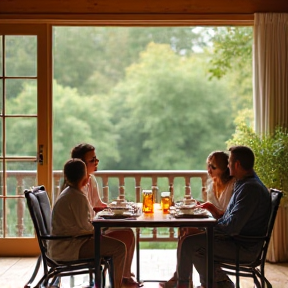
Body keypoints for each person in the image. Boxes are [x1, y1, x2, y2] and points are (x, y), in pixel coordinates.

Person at [176, 146, 271, 288]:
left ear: (237, 164)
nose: (227, 166)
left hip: (244, 248)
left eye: (230, 162)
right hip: (238, 241)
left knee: (189, 243)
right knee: (193, 242)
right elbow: (230, 219)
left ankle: (185, 285)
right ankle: (218, 283)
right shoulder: (244, 183)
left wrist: (204, 227)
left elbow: (232, 227)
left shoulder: (250, 189)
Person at [62, 143, 138, 286]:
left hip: (85, 233)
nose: (97, 162)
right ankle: (118, 282)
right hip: (76, 242)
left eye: (96, 159)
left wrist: (119, 207)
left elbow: (97, 206)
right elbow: (84, 224)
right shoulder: (75, 193)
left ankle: (124, 277)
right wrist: (102, 230)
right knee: (120, 244)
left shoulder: (89, 181)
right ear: (82, 165)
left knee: (127, 233)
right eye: (92, 160)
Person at [160, 151, 236, 288]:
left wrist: (211, 208)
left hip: (223, 231)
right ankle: (183, 278)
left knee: (189, 236)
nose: (209, 170)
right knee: (185, 229)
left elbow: (228, 215)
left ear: (225, 168)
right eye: (208, 165)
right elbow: (211, 210)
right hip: (214, 226)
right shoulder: (212, 185)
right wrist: (199, 206)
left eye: (213, 167)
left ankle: (183, 280)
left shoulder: (233, 186)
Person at [48, 158, 126, 288]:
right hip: (70, 247)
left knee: (113, 243)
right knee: (119, 248)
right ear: (85, 178)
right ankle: (117, 286)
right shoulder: (76, 197)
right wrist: (102, 227)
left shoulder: (70, 193)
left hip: (68, 243)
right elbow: (86, 227)